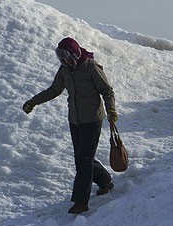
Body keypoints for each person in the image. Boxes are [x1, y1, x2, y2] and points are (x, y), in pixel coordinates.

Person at [22, 37, 119, 214]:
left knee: (83, 159)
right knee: (82, 157)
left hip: (92, 119)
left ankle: (81, 202)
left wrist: (111, 110)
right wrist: (33, 101)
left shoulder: (91, 67)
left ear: (74, 54)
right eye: (61, 58)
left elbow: (107, 90)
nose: (64, 61)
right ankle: (105, 181)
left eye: (66, 57)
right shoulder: (65, 70)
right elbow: (54, 90)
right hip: (75, 120)